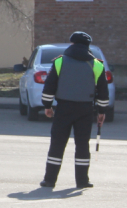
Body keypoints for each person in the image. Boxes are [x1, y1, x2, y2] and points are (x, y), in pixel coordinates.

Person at [39, 31, 110, 189]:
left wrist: (47, 106)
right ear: (87, 46)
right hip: (85, 109)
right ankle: (82, 181)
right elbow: (103, 92)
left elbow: (49, 86)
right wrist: (101, 111)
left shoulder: (60, 62)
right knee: (83, 144)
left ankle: (49, 180)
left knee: (57, 143)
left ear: (72, 44)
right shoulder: (97, 64)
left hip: (64, 107)